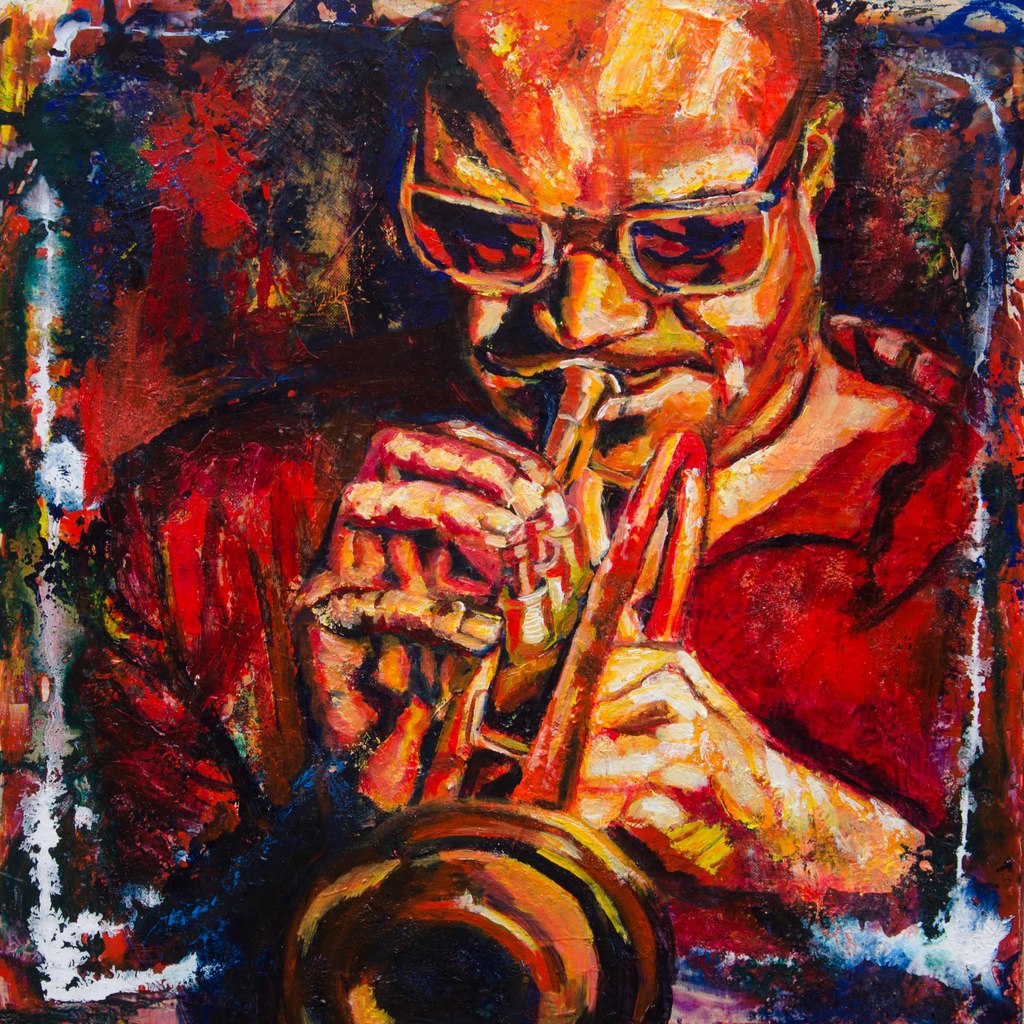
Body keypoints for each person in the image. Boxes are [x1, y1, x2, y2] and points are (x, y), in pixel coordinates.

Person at [70, 0, 983, 1016]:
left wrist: (833, 849)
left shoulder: (985, 515)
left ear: (812, 169)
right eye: (488, 234)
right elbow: (78, 960)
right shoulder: (206, 515)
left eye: (689, 240)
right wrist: (328, 811)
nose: (583, 321)